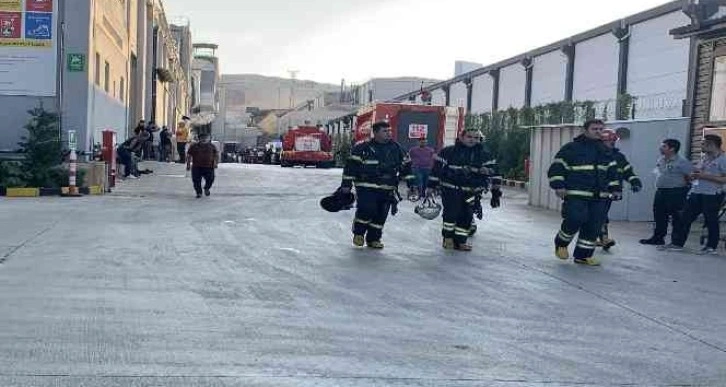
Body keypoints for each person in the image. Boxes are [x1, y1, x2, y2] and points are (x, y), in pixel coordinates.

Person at [547, 119, 622, 266]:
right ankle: (561, 244)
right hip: (576, 193)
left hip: (600, 196)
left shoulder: (606, 151)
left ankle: (583, 256)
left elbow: (613, 173)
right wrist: (558, 186)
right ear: (585, 130)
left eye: (601, 129)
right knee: (575, 219)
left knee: (593, 226)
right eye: (595, 129)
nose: (599, 132)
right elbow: (557, 168)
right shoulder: (571, 148)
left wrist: (616, 189)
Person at [340, 121, 416, 249]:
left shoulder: (397, 149)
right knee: (367, 209)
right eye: (385, 131)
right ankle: (359, 233)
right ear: (375, 133)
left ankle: (374, 239)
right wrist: (346, 185)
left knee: (381, 214)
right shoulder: (362, 148)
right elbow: (350, 168)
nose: (388, 133)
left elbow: (407, 168)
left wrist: (412, 185)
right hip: (366, 187)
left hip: (387, 188)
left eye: (389, 131)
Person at [428, 128, 501, 251]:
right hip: (451, 190)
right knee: (451, 214)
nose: (473, 140)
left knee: (467, 216)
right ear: (461, 137)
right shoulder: (448, 152)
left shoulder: (485, 155)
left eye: (476, 138)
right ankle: (448, 239)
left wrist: (495, 193)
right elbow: (436, 170)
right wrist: (431, 186)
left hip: (472, 192)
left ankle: (461, 241)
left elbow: (496, 173)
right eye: (469, 137)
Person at [661, 134, 726, 254]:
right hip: (697, 192)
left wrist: (703, 176)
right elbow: (698, 171)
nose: (701, 146)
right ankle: (677, 243)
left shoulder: (723, 159)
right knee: (684, 217)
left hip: (712, 194)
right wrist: (693, 174)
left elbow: (724, 179)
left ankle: (711, 247)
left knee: (710, 220)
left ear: (711, 145)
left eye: (703, 143)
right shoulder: (705, 158)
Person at [640, 139, 693, 246]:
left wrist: (685, 190)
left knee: (677, 218)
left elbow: (690, 177)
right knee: (659, 216)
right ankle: (658, 238)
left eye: (664, 146)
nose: (661, 148)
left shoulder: (682, 162)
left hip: (676, 192)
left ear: (672, 149)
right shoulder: (661, 160)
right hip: (661, 191)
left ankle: (676, 242)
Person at [598, 128, 642, 249]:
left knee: (601, 214)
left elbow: (628, 172)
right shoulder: (595, 155)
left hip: (611, 192)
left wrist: (635, 182)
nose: (612, 143)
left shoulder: (619, 157)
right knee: (599, 215)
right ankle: (602, 238)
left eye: (613, 141)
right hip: (596, 191)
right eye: (609, 141)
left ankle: (602, 238)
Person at [186, 133, 219, 198]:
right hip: (197, 166)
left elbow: (216, 155)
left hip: (209, 166)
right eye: (202, 138)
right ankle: (199, 192)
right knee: (196, 180)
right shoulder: (194, 146)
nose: (204, 139)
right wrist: (188, 165)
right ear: (199, 139)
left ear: (208, 139)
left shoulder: (212, 146)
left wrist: (215, 163)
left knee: (210, 179)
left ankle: (206, 188)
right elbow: (189, 155)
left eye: (205, 138)